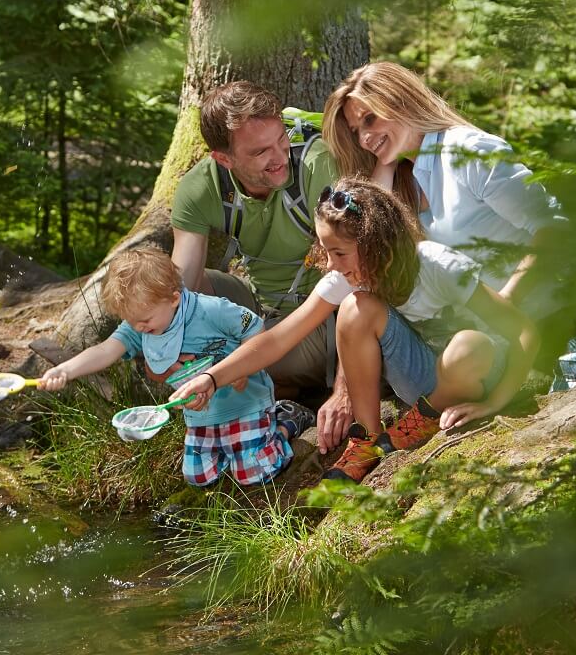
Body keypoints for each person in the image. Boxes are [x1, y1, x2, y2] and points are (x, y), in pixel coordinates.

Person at [170, 177, 539, 484]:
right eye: (326, 250)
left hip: (478, 372)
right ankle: (368, 437)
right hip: (425, 378)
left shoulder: (437, 266)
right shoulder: (347, 276)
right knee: (355, 308)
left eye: (340, 253)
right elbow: (279, 338)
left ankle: (429, 414)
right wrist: (211, 379)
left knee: (467, 345)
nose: (330, 264)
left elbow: (523, 330)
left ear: (377, 245)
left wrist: (497, 401)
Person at [170, 80, 355, 454]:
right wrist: (165, 346)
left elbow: (361, 278)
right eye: (259, 152)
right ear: (224, 159)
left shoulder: (318, 165)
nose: (279, 157)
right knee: (182, 299)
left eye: (281, 140)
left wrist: (344, 390)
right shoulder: (202, 186)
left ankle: (261, 390)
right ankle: (247, 385)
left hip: (323, 319)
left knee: (246, 360)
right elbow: (181, 285)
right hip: (258, 308)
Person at [38, 248, 315, 488]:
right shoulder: (141, 325)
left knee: (254, 474)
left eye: (144, 320)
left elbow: (255, 329)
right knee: (198, 477)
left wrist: (241, 370)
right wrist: (66, 370)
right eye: (131, 322)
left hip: (245, 403)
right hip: (201, 414)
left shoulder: (210, 310)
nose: (139, 328)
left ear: (173, 297)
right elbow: (105, 350)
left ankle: (285, 420)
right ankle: (245, 443)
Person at [322, 61, 566, 326]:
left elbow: (552, 228)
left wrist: (507, 303)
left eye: (370, 119)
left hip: (543, 321)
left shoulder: (468, 152)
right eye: (357, 131)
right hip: (483, 340)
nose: (364, 139)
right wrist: (386, 162)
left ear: (401, 102)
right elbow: (368, 235)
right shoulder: (407, 181)